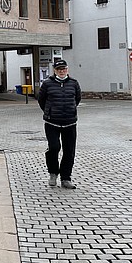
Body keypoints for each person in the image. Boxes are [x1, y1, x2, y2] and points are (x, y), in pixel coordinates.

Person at [37, 59, 82, 189]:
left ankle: (66, 178)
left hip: (70, 123)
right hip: (52, 123)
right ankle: (53, 173)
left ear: (67, 70)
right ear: (55, 71)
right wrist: (49, 112)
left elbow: (77, 99)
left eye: (64, 69)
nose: (62, 71)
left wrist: (71, 110)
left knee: (69, 151)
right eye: (59, 69)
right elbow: (41, 100)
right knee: (54, 147)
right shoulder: (47, 84)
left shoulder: (74, 83)